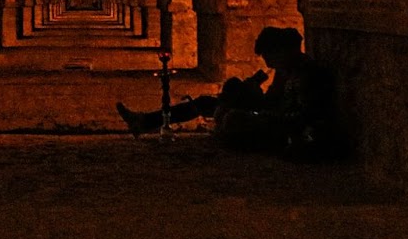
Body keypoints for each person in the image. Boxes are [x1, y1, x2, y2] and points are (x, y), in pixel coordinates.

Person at [114, 26, 338, 158]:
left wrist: (255, 115)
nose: (269, 64)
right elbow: (272, 101)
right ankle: (144, 121)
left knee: (232, 117)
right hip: (273, 116)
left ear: (284, 52)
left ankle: (145, 122)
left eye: (271, 57)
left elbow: (301, 118)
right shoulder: (285, 71)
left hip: (283, 128)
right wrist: (249, 91)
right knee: (216, 99)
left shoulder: (306, 75)